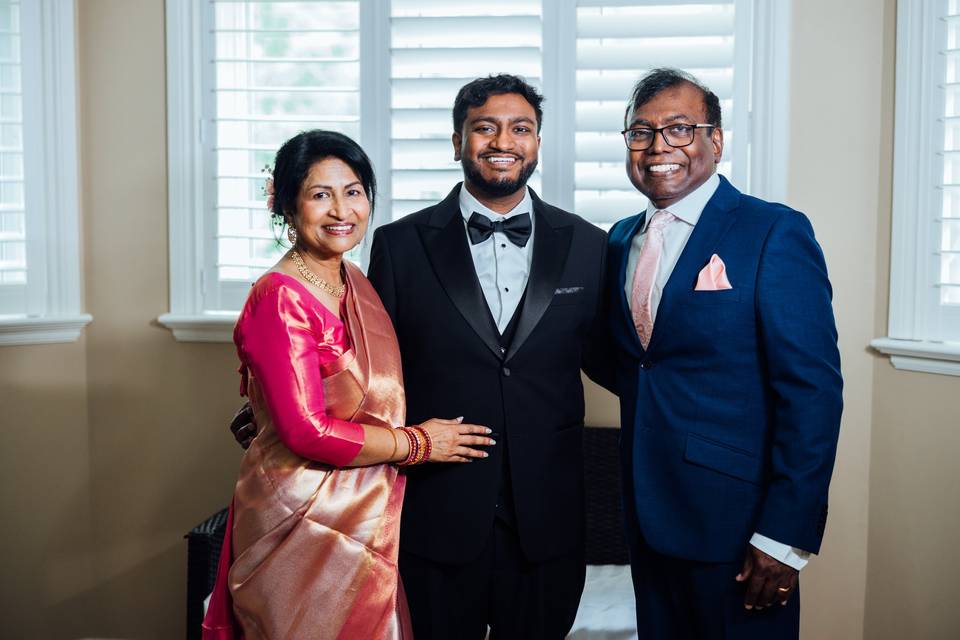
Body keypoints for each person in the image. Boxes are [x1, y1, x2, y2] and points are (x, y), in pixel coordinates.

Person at [202, 130, 494, 640]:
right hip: (301, 522)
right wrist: (422, 443)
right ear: (287, 206)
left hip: (366, 510)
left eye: (354, 191)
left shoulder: (354, 279)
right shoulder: (280, 296)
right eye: (320, 194)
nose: (342, 210)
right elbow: (305, 433)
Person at [365, 74, 608, 639]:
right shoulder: (399, 246)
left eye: (521, 128)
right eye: (485, 127)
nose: (504, 141)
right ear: (458, 142)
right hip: (437, 512)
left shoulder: (590, 245)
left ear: (538, 143)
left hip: (548, 517)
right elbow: (374, 375)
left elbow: (621, 361)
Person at [604, 68, 843, 639]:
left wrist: (785, 535)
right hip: (647, 515)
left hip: (739, 528)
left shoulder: (773, 232)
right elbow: (633, 361)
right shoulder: (617, 239)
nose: (660, 146)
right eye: (642, 132)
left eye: (681, 129)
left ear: (716, 140)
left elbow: (812, 394)